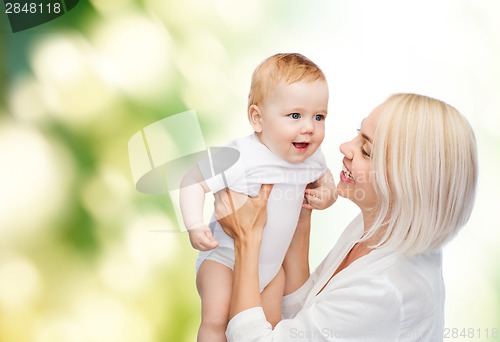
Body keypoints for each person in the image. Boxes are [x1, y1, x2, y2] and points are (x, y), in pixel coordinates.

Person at [215, 93, 478, 341]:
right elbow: (306, 314)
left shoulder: (386, 289)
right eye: (357, 134)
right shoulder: (382, 225)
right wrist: (302, 212)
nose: (344, 148)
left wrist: (247, 239)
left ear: (407, 184)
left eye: (366, 150)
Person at [179, 53, 337, 341]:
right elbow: (194, 179)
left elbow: (324, 177)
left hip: (272, 270)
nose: (309, 127)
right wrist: (194, 225)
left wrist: (328, 194)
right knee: (216, 320)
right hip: (224, 260)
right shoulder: (242, 156)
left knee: (269, 328)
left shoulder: (311, 158)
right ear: (257, 119)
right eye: (295, 116)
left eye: (319, 116)